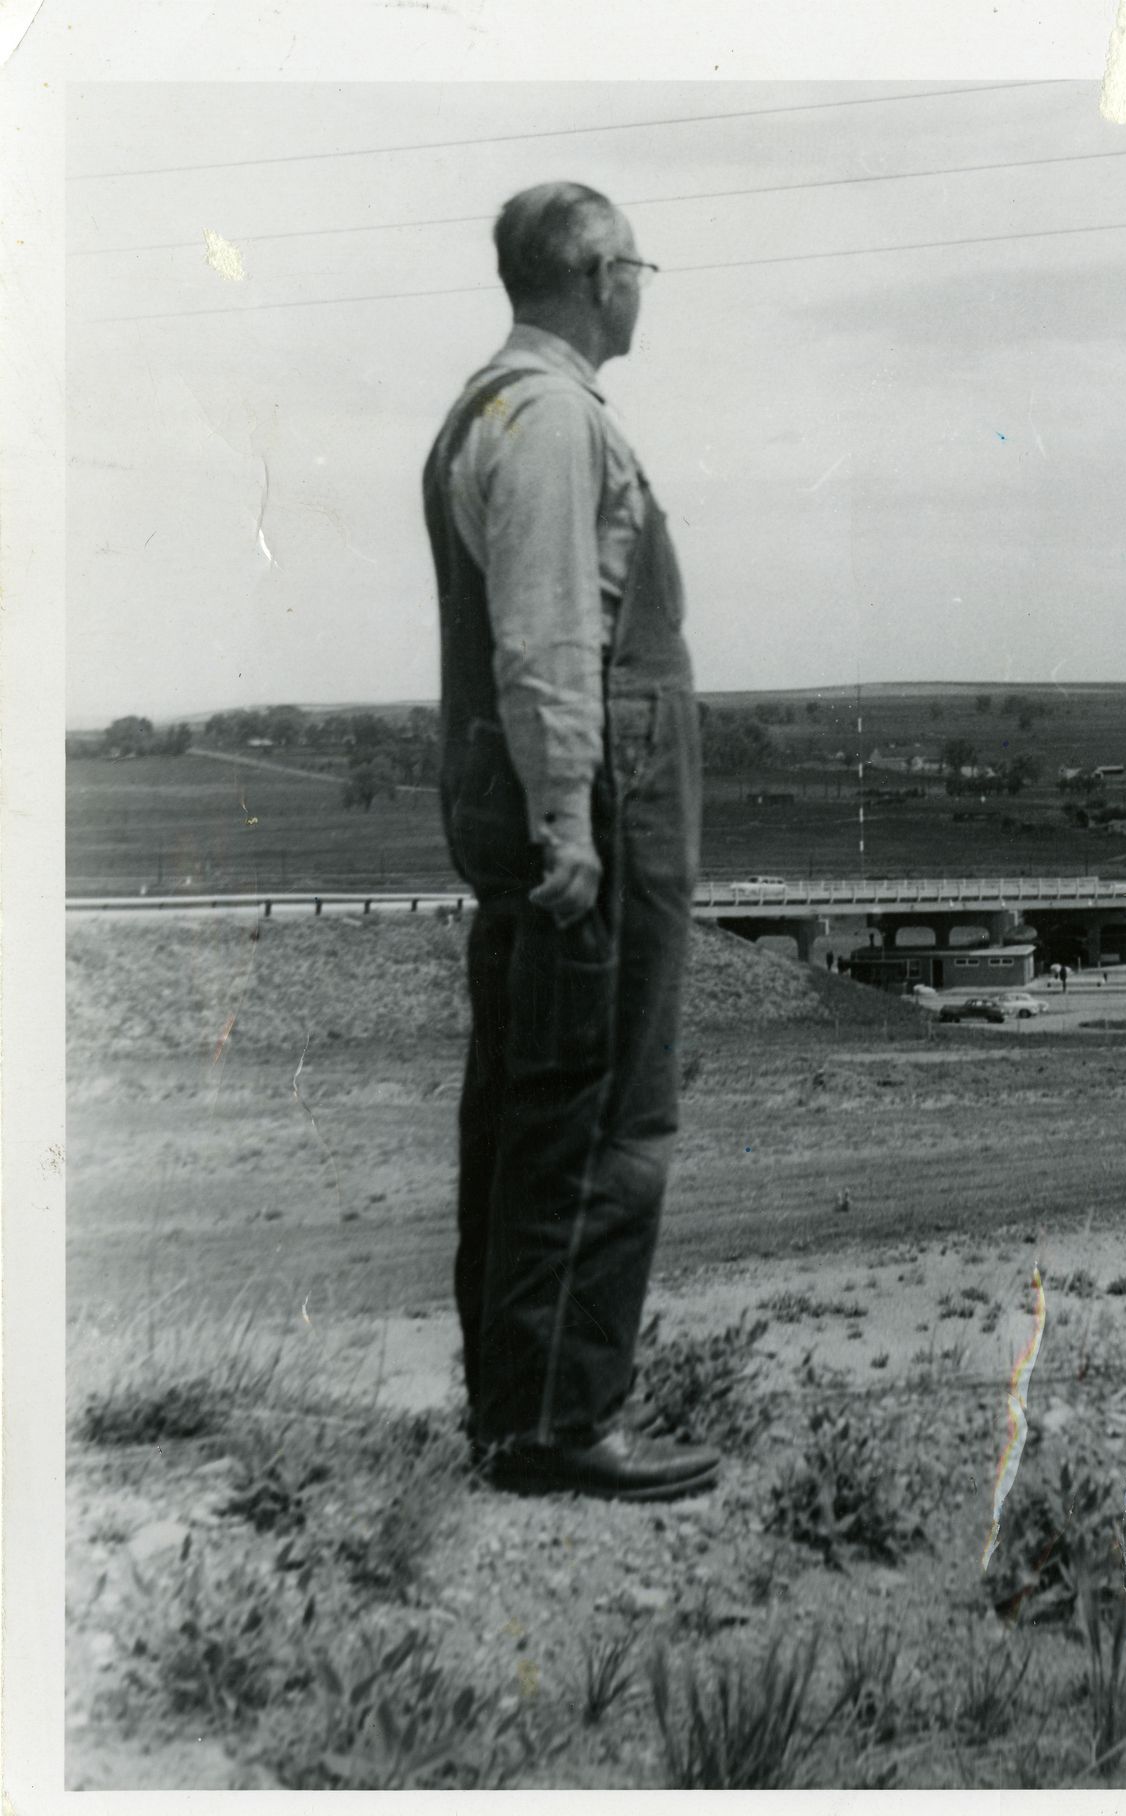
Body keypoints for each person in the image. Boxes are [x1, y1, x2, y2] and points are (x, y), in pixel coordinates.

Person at [423, 182, 716, 1502]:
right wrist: (568, 824)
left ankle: (516, 1411)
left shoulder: (486, 410)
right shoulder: (551, 422)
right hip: (600, 797)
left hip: (553, 789)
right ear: (599, 277)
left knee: (529, 1101)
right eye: (638, 266)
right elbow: (546, 636)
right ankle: (559, 1423)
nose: (644, 287)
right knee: (603, 1108)